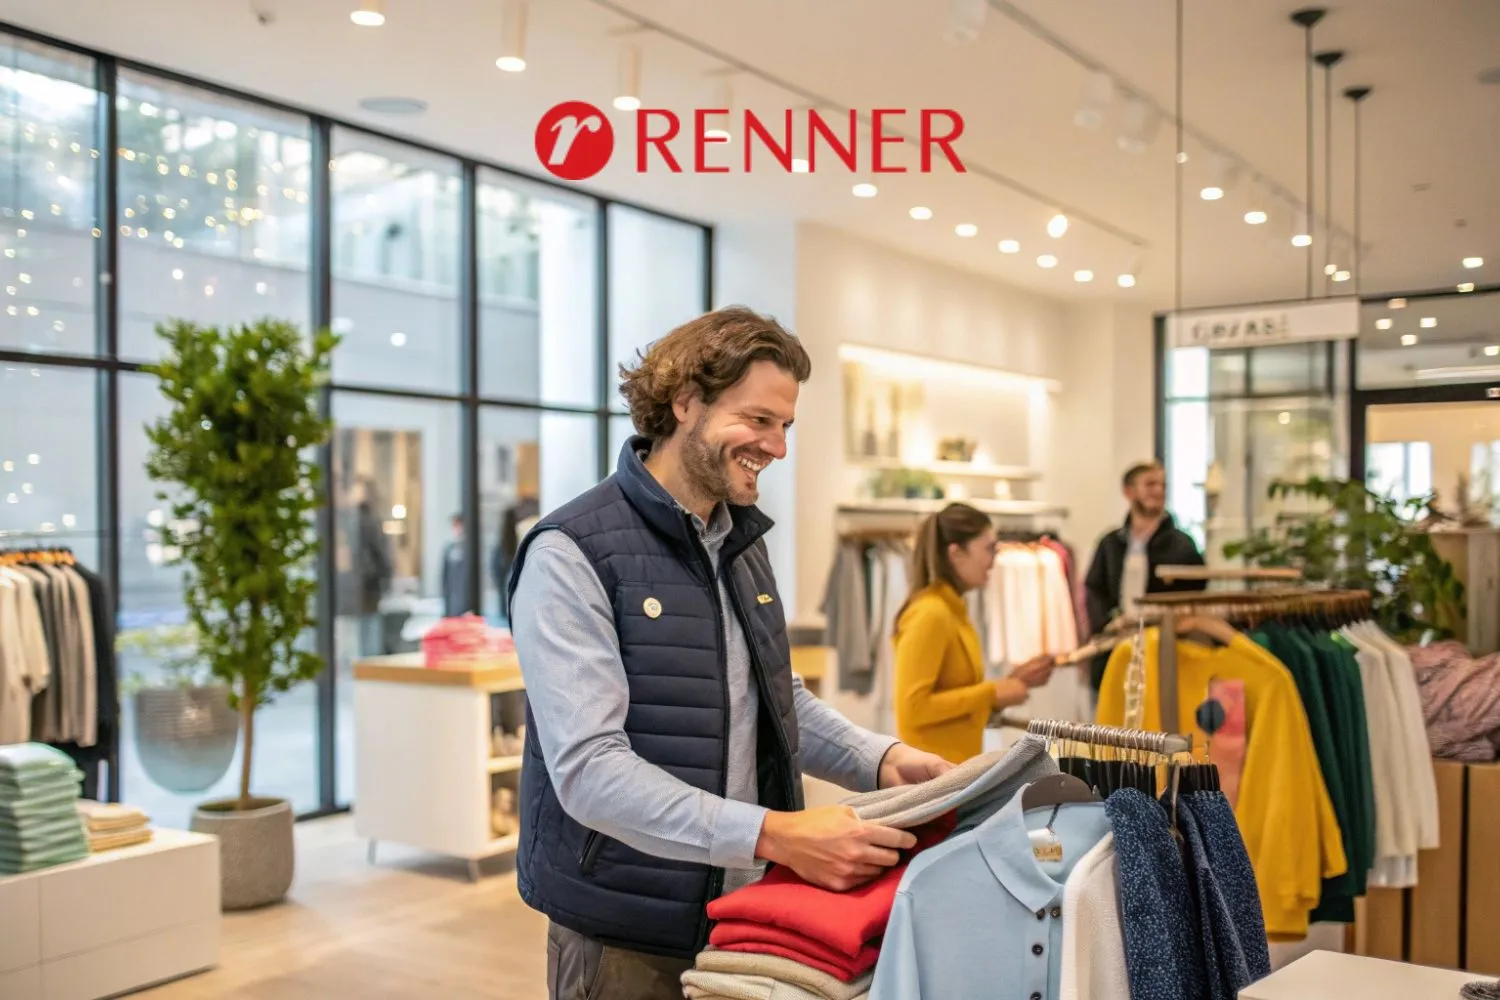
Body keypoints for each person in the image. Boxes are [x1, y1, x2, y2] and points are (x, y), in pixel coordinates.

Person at [507, 306, 953, 1000]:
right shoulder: (571, 552)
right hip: (626, 931)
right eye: (758, 420)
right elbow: (590, 771)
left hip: (748, 918)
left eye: (785, 427)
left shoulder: (740, 543)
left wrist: (885, 761)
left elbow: (777, 699)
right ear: (685, 401)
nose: (776, 446)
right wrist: (775, 834)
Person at [891, 502, 1057, 764]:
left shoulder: (952, 609)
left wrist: (1012, 682)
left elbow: (955, 699)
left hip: (951, 769)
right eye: (989, 548)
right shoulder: (930, 613)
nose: (996, 557)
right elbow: (913, 708)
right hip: (930, 776)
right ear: (956, 554)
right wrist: (992, 692)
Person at [1082, 460, 1208, 691]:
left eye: (1162, 485)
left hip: (1166, 647)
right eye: (1150, 484)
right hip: (1116, 644)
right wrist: (1106, 624)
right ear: (1129, 491)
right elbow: (1094, 589)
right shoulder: (1110, 543)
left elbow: (1197, 593)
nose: (1158, 491)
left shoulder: (1183, 545)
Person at [440, 512, 468, 618]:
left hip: (466, 604)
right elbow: (444, 579)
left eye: (459, 525)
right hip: (452, 604)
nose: (457, 529)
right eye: (454, 526)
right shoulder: (449, 549)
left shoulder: (469, 549)